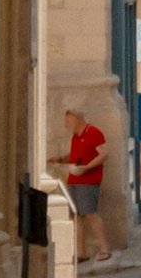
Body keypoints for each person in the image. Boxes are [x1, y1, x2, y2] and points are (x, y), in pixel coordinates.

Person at [50, 109, 111, 264]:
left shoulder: (94, 132)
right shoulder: (76, 136)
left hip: (88, 181)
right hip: (74, 180)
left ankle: (105, 249)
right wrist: (58, 159)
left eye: (68, 120)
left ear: (78, 119)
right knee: (76, 216)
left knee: (91, 214)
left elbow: (104, 154)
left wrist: (86, 167)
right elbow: (75, 156)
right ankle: (81, 252)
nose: (66, 124)